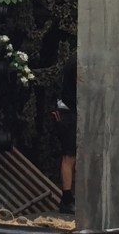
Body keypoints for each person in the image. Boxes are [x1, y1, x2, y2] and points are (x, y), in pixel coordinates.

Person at [52, 53, 77, 214]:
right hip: (68, 113)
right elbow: (80, 84)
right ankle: (67, 199)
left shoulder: (75, 60)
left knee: (72, 156)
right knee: (70, 155)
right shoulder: (76, 63)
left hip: (71, 111)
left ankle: (69, 197)